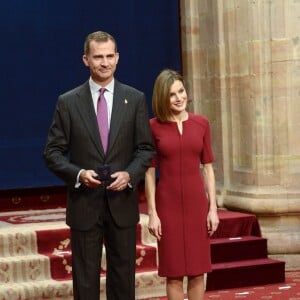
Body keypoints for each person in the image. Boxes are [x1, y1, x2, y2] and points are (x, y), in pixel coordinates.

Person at [43, 31, 155, 300]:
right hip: (85, 204)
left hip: (122, 204)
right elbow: (52, 152)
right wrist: (78, 174)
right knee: (85, 280)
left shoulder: (135, 99)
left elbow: (145, 149)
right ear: (86, 60)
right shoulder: (68, 102)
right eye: (98, 57)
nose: (104, 63)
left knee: (123, 278)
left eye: (109, 56)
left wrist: (129, 174)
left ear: (117, 58)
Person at [145, 69, 219, 300]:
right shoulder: (153, 127)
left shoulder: (201, 123)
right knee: (174, 273)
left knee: (198, 271)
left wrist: (213, 209)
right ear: (162, 98)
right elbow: (149, 172)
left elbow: (208, 168)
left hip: (197, 204)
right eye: (172, 94)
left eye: (181, 91)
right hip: (168, 206)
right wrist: (152, 212)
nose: (179, 98)